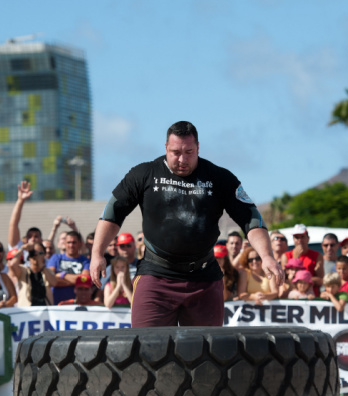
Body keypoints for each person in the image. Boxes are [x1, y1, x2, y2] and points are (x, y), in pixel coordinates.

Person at [89, 121, 282, 327]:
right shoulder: (144, 174)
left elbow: (251, 218)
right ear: (165, 148)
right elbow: (112, 213)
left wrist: (267, 256)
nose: (182, 159)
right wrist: (97, 253)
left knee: (207, 354)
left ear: (198, 147)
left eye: (189, 152)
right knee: (147, 350)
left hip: (204, 279)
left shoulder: (219, 178)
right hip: (156, 277)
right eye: (175, 152)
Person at [47, 231, 91, 304]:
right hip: (56, 305)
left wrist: (62, 275)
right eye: (68, 242)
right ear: (64, 244)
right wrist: (77, 281)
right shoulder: (55, 258)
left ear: (80, 244)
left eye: (74, 242)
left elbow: (85, 280)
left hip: (77, 305)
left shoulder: (86, 261)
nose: (71, 245)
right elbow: (50, 279)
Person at [8, 243, 55, 307]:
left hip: (45, 310)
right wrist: (22, 249)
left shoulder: (48, 271)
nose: (36, 256)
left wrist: (41, 266)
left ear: (44, 255)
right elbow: (12, 264)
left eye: (40, 253)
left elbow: (53, 282)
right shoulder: (23, 271)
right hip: (27, 312)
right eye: (33, 253)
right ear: (29, 256)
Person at [280, 224, 324, 289]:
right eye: (297, 237)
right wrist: (295, 260)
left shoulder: (317, 255)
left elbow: (321, 281)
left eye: (302, 237)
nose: (299, 240)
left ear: (308, 238)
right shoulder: (285, 256)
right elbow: (285, 279)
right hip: (292, 295)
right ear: (293, 239)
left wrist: (301, 279)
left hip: (311, 296)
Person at [8, 181, 44, 257]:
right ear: (25, 240)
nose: (33, 239)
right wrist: (20, 200)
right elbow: (13, 225)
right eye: (29, 236)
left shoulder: (46, 259)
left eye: (36, 236)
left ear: (41, 240)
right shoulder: (21, 251)